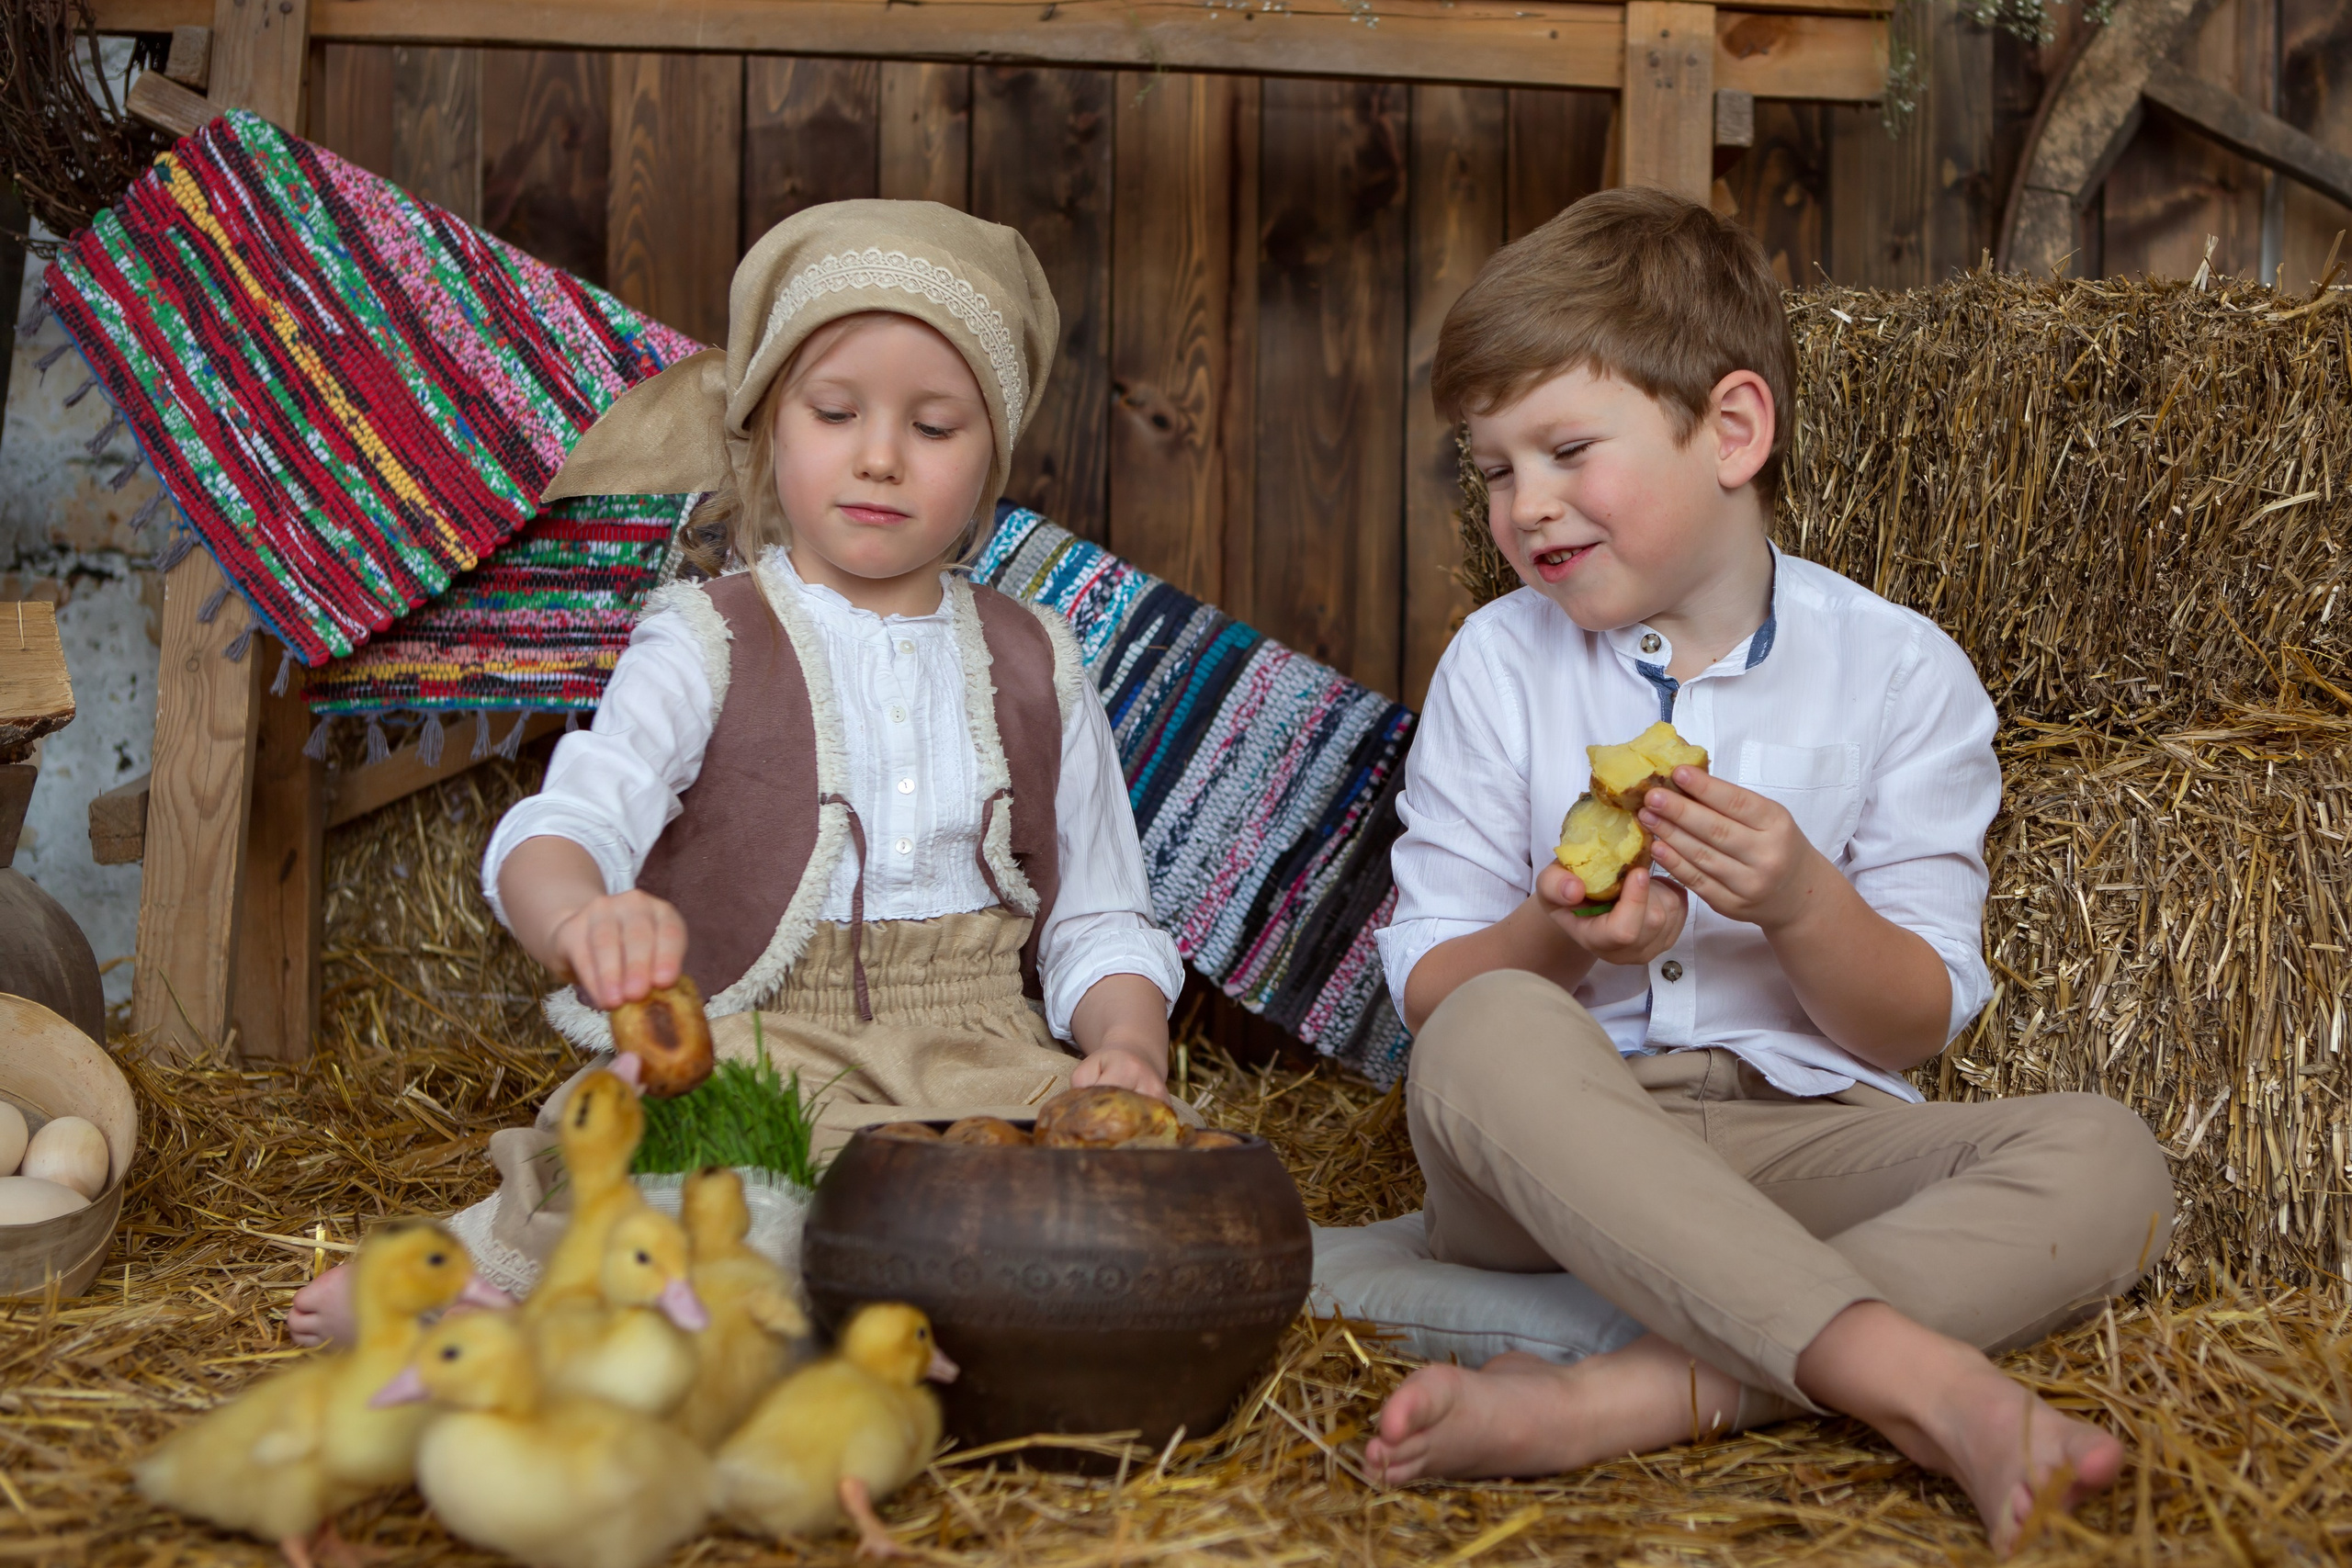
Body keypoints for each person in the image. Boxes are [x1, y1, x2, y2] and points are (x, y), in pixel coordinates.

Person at [1360, 188, 2172, 1553]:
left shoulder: (1901, 668)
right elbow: (1437, 993)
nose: (1525, 505)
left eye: (1564, 448)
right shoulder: (1498, 666)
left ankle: (1617, 1398)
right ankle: (1919, 1379)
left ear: (1732, 429)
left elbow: (1914, 1018)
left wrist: (1800, 898)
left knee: (2109, 1154)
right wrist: (1562, 938)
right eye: (1492, 468)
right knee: (1494, 1021)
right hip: (1551, 1154)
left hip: (1794, 1137)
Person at [290, 201, 1185, 1346]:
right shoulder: (707, 640)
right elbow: (565, 828)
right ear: (766, 427)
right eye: (836, 411)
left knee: (1104, 1241)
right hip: (758, 1053)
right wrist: (583, 919)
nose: (878, 454)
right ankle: (505, 1319)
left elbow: (1100, 917)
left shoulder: (1034, 659)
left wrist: (1126, 1043)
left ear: (992, 459)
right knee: (733, 1221)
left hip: (978, 1066)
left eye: (935, 425)